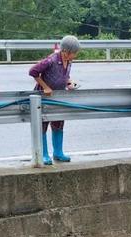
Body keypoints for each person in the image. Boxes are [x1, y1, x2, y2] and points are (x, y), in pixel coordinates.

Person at [29, 35, 81, 165]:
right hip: (44, 97)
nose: (75, 56)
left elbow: (65, 75)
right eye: (74, 53)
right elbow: (33, 71)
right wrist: (45, 87)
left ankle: (58, 152)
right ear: (65, 51)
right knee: (43, 125)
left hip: (58, 96)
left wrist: (69, 83)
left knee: (58, 124)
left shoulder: (69, 61)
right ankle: (44, 154)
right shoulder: (51, 60)